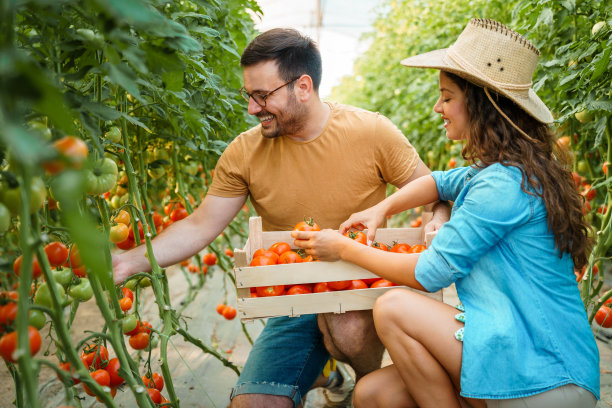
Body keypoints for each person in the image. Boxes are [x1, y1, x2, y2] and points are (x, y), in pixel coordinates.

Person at [112, 27, 449, 407]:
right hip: (290, 293)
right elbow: (200, 224)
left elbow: (433, 190)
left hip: (360, 289)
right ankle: (331, 375)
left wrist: (437, 217)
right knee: (252, 404)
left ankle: (367, 385)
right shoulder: (244, 153)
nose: (253, 108)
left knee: (348, 328)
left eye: (262, 95)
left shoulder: (371, 132)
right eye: (248, 95)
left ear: (303, 87)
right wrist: (126, 262)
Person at [292, 18, 600, 408]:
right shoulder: (499, 170)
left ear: (481, 104)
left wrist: (343, 249)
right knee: (372, 394)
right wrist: (379, 208)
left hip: (545, 377)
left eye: (447, 96)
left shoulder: (503, 185)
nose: (438, 107)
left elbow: (428, 274)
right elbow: (438, 182)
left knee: (393, 307)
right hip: (514, 348)